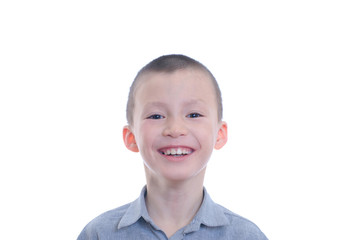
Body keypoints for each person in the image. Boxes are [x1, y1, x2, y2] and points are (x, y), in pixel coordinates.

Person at [77, 54, 268, 240]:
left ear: (220, 134)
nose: (175, 129)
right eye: (156, 116)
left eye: (193, 115)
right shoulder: (98, 234)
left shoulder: (246, 236)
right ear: (131, 137)